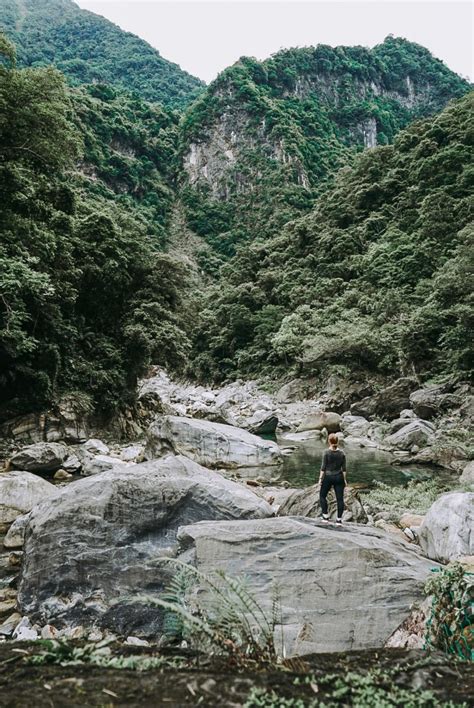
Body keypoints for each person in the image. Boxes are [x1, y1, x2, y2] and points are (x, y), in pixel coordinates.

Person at [318, 433, 347, 525]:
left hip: (328, 477)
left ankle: (325, 516)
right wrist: (345, 480)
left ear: (329, 441)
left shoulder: (326, 452)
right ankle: (339, 520)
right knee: (340, 499)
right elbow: (344, 469)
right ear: (337, 441)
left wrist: (320, 479)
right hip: (339, 477)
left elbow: (323, 468)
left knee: (322, 496)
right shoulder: (342, 453)